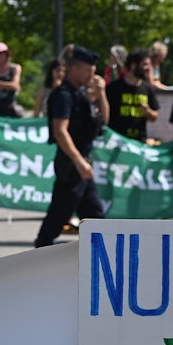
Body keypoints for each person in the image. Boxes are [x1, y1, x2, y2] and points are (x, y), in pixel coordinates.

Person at [34, 46, 109, 248]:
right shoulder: (64, 95)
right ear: (74, 69)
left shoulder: (81, 94)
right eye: (88, 70)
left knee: (95, 217)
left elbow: (103, 120)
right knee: (59, 215)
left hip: (81, 164)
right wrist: (78, 162)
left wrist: (101, 94)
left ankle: (101, 256)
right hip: (71, 165)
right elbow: (60, 131)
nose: (92, 74)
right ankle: (39, 254)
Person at [105, 48, 160, 143]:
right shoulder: (114, 88)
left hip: (139, 143)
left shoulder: (147, 89)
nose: (149, 69)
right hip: (116, 142)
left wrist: (148, 112)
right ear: (134, 66)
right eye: (145, 64)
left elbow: (154, 117)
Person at [0, 42, 23, 117]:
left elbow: (15, 86)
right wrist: (8, 85)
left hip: (10, 107)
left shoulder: (15, 68)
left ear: (7, 54)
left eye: (2, 53)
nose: (0, 56)